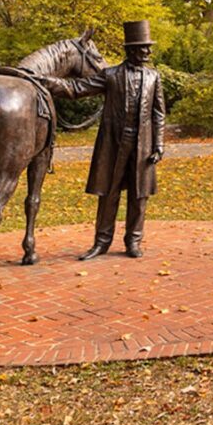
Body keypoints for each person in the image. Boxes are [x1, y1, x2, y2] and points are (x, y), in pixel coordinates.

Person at [47, 20, 165, 259]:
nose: (148, 52)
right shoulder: (110, 75)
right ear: (131, 50)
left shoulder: (154, 77)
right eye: (143, 48)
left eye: (148, 48)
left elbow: (159, 114)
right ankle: (101, 242)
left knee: (138, 194)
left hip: (142, 145)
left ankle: (134, 241)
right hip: (114, 145)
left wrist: (159, 144)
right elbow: (77, 88)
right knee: (108, 193)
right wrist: (47, 82)